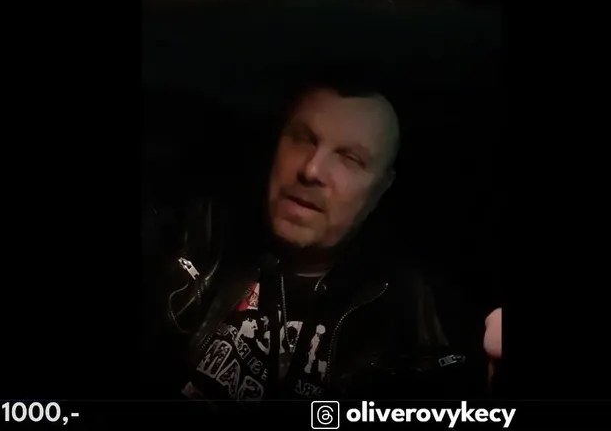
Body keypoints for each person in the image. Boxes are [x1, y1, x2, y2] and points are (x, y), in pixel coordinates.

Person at [143, 82, 502, 403]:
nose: (311, 170)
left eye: (350, 158)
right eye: (303, 138)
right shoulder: (195, 234)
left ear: (381, 189)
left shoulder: (420, 317)